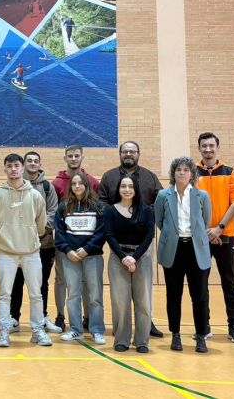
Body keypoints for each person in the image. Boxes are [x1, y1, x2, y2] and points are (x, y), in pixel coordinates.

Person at [99, 141, 164, 338]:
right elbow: (101, 201)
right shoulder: (109, 176)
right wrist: (116, 214)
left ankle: (146, 325)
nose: (129, 154)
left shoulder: (149, 176)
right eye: (125, 151)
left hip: (144, 241)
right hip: (117, 241)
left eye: (132, 151)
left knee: (143, 289)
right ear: (120, 154)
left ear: (138, 154)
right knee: (120, 292)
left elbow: (160, 200)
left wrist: (145, 215)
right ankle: (121, 331)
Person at [0, 154, 49, 347]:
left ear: (23, 169)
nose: (13, 169)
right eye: (9, 166)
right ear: (5, 170)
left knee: (36, 294)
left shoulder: (35, 195)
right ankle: (4, 332)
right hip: (7, 253)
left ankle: (38, 331)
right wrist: (4, 238)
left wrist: (30, 235)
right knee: (4, 294)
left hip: (31, 252)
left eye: (17, 166)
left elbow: (41, 226)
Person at [155, 157, 212, 353]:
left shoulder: (201, 195)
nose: (182, 172)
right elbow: (160, 221)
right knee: (174, 295)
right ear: (173, 173)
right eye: (178, 169)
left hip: (196, 250)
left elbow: (205, 222)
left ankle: (201, 336)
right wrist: (174, 235)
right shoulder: (163, 195)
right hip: (174, 249)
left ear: (192, 174)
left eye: (186, 169)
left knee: (200, 296)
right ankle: (176, 334)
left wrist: (192, 236)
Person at [196, 132, 234, 343]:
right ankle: (204, 326)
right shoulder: (192, 172)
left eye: (211, 145)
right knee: (201, 283)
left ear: (217, 147)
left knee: (229, 282)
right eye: (204, 146)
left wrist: (219, 228)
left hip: (226, 236)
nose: (208, 149)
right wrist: (206, 231)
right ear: (199, 148)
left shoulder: (230, 172)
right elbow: (189, 204)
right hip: (201, 238)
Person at [9, 152, 61, 334]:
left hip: (44, 244)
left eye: (35, 161)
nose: (32, 163)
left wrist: (36, 231)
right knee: (17, 282)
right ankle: (14, 319)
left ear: (39, 164)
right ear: (23, 165)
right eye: (29, 161)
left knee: (41, 284)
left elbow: (53, 212)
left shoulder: (48, 187)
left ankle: (42, 318)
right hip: (18, 246)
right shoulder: (14, 184)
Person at [55, 172, 107, 346]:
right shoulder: (64, 207)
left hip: (92, 257)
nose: (77, 186)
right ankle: (75, 330)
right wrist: (68, 251)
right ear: (70, 186)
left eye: (80, 183)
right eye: (74, 183)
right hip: (70, 257)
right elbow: (59, 234)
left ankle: (97, 330)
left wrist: (86, 250)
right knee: (73, 295)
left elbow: (101, 234)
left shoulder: (98, 206)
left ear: (87, 185)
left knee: (95, 296)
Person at [104, 176, 154, 353]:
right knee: (120, 302)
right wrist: (124, 257)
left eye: (130, 186)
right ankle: (122, 340)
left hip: (142, 258)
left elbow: (149, 236)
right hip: (118, 259)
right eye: (123, 186)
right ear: (118, 189)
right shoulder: (110, 211)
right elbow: (109, 236)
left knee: (144, 302)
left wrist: (135, 257)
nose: (127, 189)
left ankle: (142, 341)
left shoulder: (146, 210)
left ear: (135, 189)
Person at [53, 145, 99, 332]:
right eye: (70, 156)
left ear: (82, 157)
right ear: (65, 158)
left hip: (88, 245)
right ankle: (61, 315)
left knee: (87, 282)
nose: (73, 158)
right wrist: (65, 245)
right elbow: (55, 214)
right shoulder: (56, 184)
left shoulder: (93, 182)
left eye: (76, 155)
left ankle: (88, 317)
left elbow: (98, 212)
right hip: (65, 244)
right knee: (62, 279)